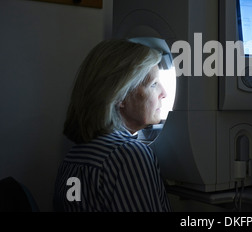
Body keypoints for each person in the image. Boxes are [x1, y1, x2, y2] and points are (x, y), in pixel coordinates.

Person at [53, 38, 171, 212]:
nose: (164, 93)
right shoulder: (129, 156)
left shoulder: (74, 155)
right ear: (120, 96)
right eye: (153, 84)